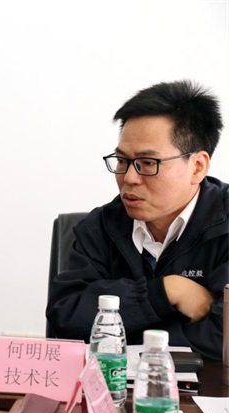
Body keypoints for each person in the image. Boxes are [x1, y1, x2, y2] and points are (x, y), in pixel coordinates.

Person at [46, 80, 228, 360]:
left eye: (147, 163)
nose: (129, 178)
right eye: (122, 161)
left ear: (197, 167)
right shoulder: (101, 226)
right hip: (114, 384)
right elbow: (67, 318)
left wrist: (120, 336)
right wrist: (165, 291)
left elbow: (221, 339)